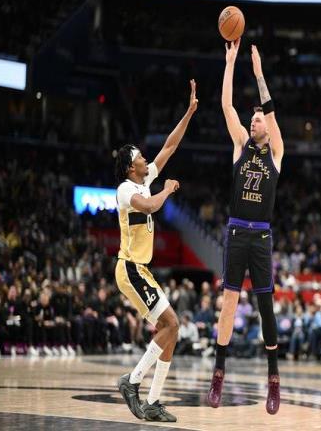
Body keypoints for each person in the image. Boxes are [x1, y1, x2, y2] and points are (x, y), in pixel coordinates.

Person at [207, 39, 284, 415]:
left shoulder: (277, 151)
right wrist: (230, 62)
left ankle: (274, 378)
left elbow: (270, 110)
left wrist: (258, 73)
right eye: (252, 119)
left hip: (262, 235)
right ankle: (218, 372)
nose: (254, 122)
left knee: (266, 307)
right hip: (237, 231)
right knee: (229, 305)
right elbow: (226, 106)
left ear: (267, 125)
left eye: (258, 119)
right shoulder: (240, 144)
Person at [115, 80, 198, 422]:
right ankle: (132, 381)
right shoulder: (125, 189)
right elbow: (149, 206)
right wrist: (166, 190)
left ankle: (151, 402)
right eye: (138, 157)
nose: (144, 157)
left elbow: (170, 145)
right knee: (172, 323)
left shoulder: (145, 177)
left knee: (171, 328)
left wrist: (189, 112)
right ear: (129, 167)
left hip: (141, 270)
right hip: (129, 268)